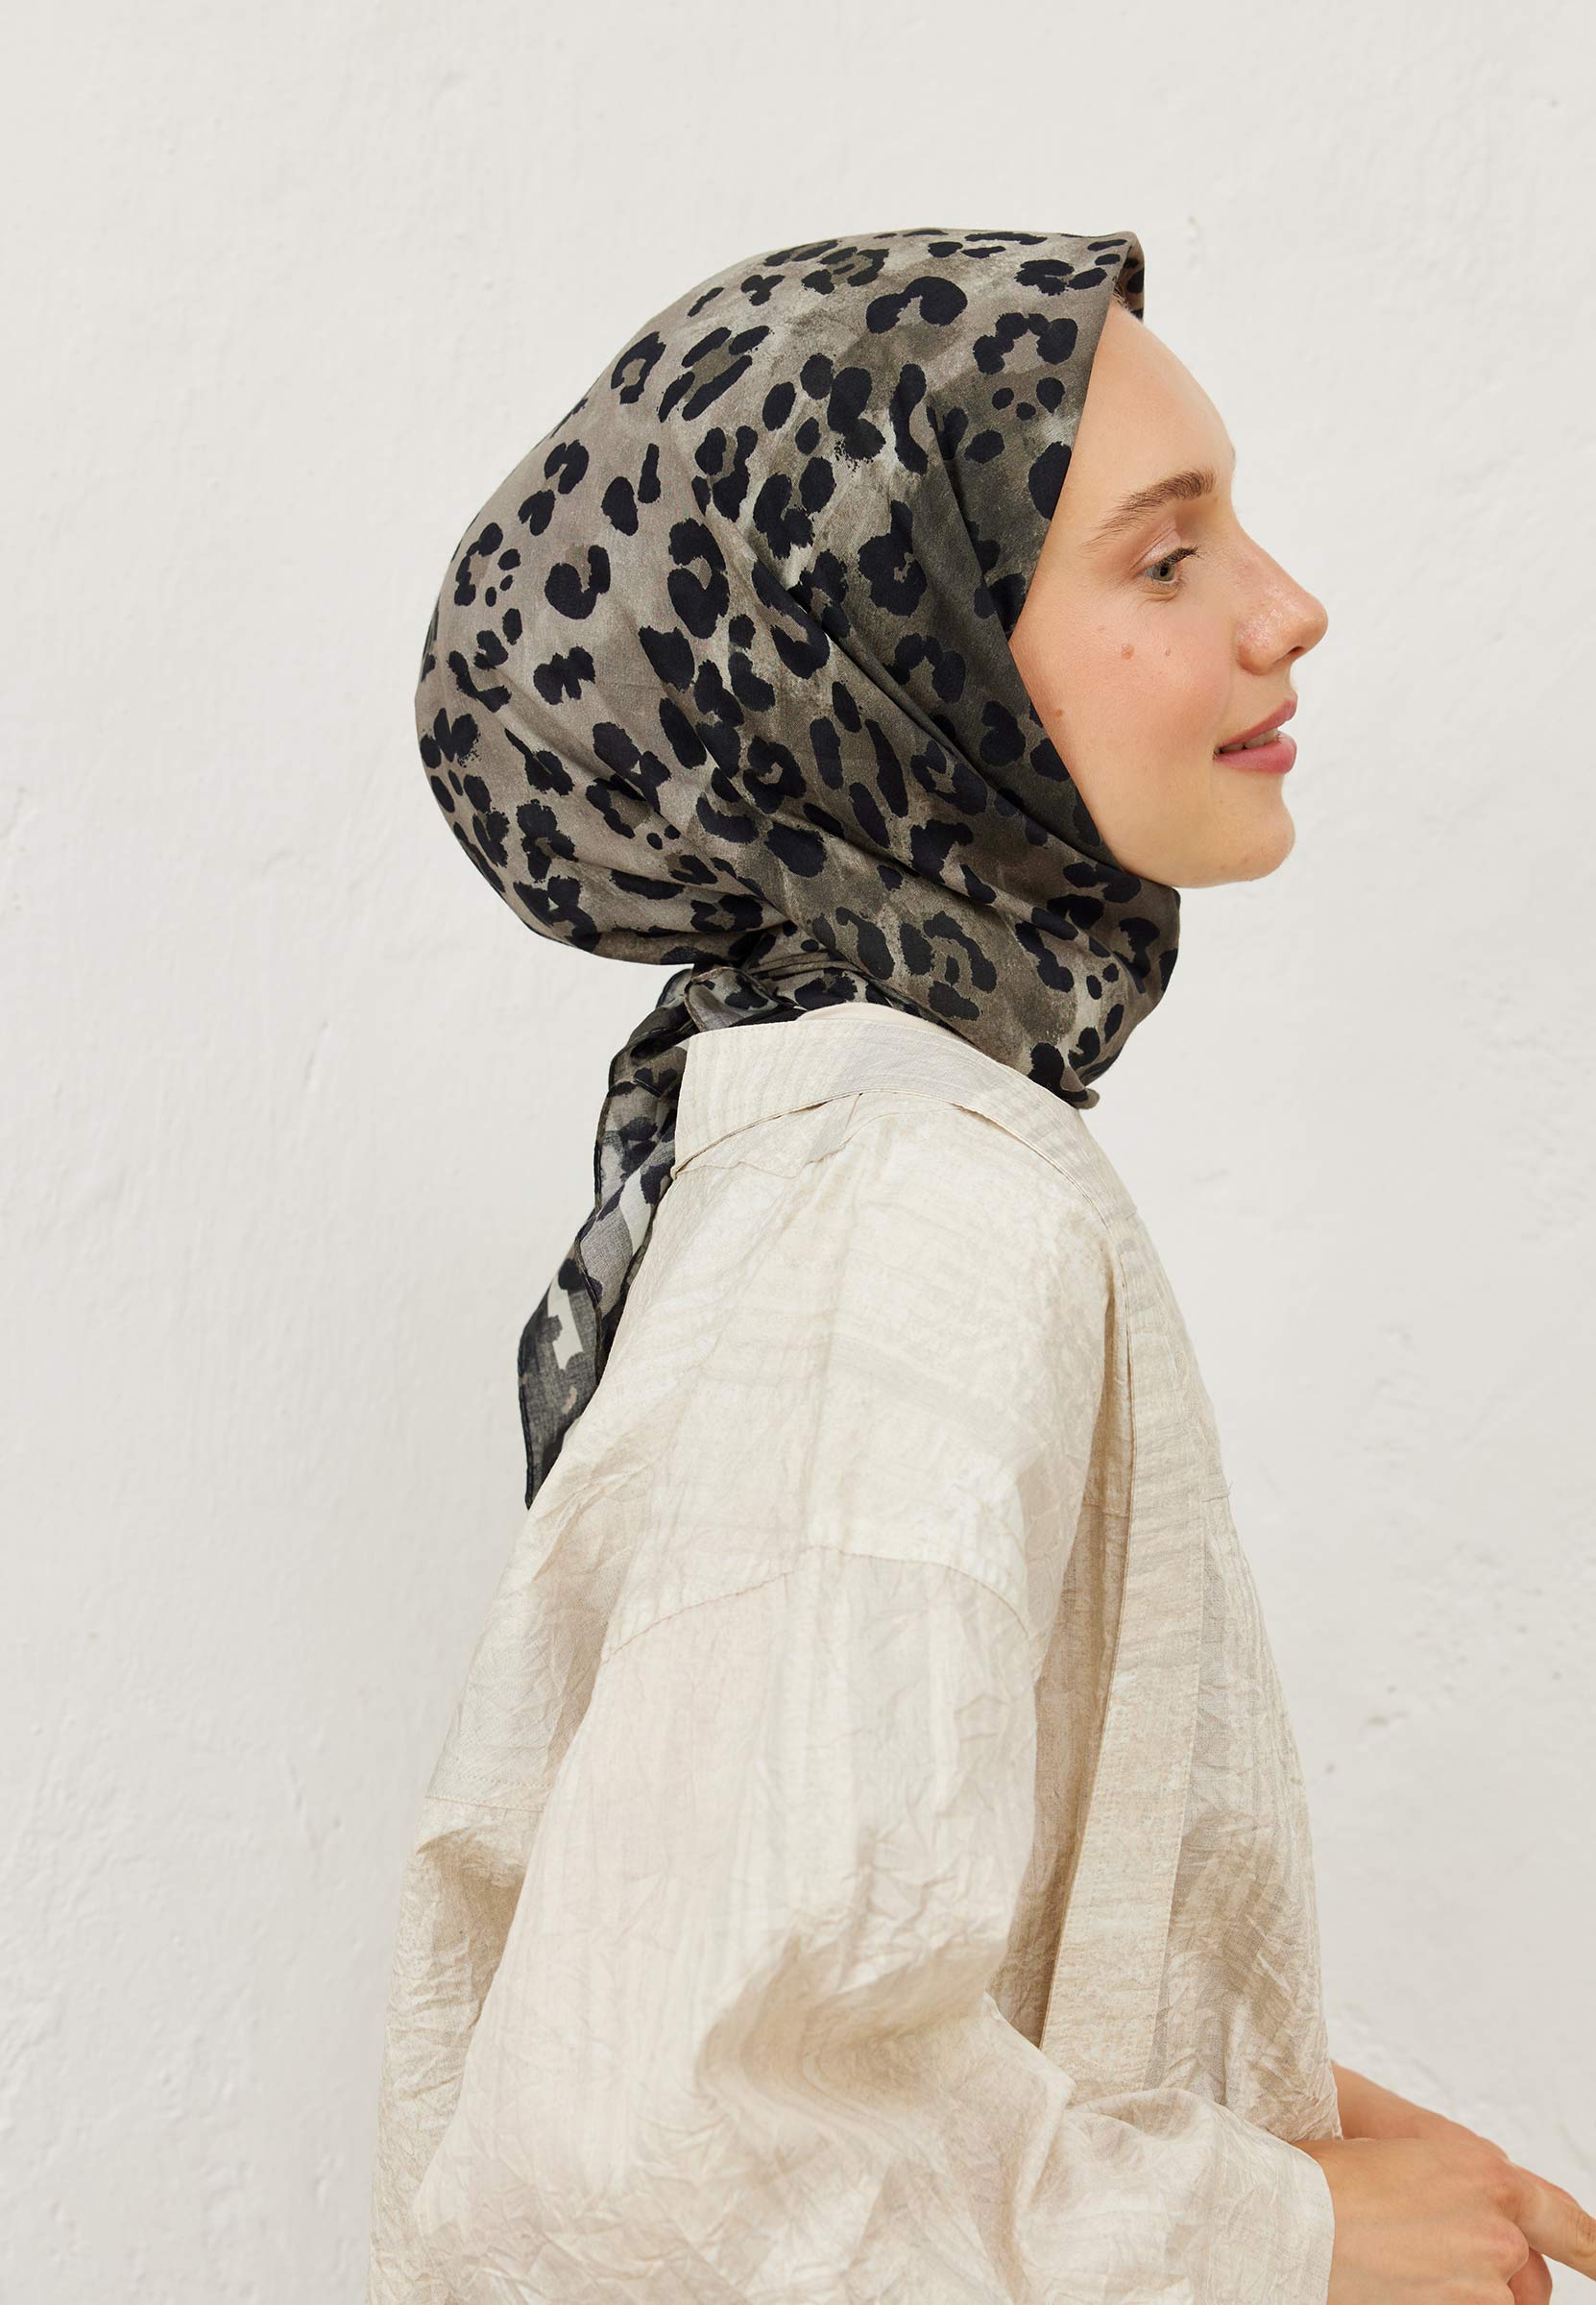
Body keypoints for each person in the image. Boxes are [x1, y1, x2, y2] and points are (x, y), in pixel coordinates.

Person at [365, 227, 1596, 2304]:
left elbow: (797, 1983)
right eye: (1164, 559)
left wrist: (1229, 2087)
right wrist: (1277, 2236)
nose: (1286, 608)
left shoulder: (849, 1146)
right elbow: (658, 2156)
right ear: (895, 662)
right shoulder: (912, 1203)